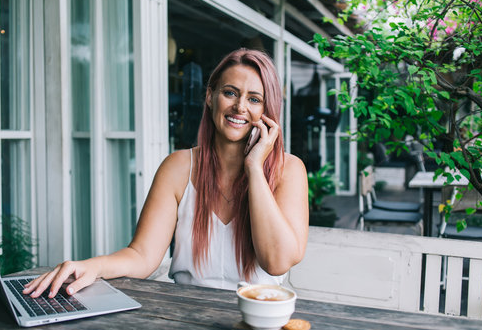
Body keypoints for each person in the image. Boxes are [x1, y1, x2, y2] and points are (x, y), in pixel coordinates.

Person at [24, 48, 309, 298]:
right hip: (185, 315)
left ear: (268, 111)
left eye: (254, 99)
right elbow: (142, 255)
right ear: (210, 97)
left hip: (259, 319)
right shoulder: (178, 167)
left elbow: (277, 262)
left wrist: (254, 168)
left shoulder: (289, 170)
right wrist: (90, 266)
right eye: (230, 92)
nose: (240, 107)